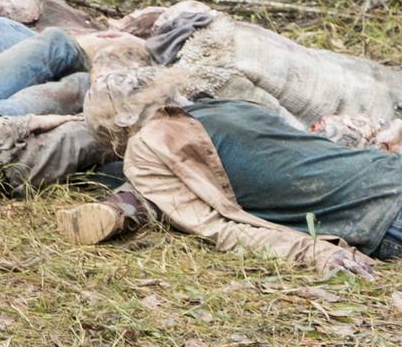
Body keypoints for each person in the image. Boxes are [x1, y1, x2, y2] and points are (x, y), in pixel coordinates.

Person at [56, 97, 400, 275]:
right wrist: (315, 252)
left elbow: (215, 227)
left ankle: (126, 206)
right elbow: (216, 227)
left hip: (377, 210)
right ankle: (125, 206)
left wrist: (316, 252)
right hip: (380, 202)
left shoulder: (210, 112)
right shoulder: (229, 106)